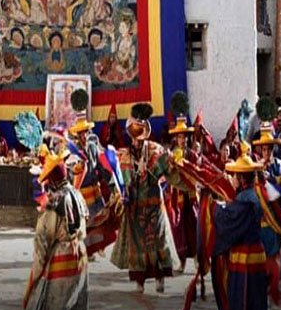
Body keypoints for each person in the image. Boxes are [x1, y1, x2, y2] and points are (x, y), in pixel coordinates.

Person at [13, 150, 89, 310]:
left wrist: (36, 272)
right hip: (79, 258)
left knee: (44, 305)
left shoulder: (54, 202)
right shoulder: (77, 194)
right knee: (73, 309)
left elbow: (43, 239)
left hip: (59, 259)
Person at [202, 142, 278, 310]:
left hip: (245, 261)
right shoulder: (254, 194)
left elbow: (229, 220)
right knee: (254, 302)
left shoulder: (246, 200)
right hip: (255, 257)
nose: (232, 178)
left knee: (244, 302)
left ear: (242, 178)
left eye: (235, 175)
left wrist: (212, 206)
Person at [111, 103, 179, 293]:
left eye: (139, 134)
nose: (136, 140)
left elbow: (171, 171)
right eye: (133, 135)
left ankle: (160, 279)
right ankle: (140, 282)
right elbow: (116, 181)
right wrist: (121, 194)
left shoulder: (156, 151)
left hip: (154, 206)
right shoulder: (124, 157)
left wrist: (175, 164)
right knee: (138, 246)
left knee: (158, 241)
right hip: (135, 208)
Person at [67, 99, 118, 257]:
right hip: (82, 192)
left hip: (95, 190)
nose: (84, 135)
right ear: (76, 134)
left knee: (101, 218)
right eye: (81, 133)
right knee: (85, 223)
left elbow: (102, 166)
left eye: (85, 132)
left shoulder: (92, 147)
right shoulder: (72, 151)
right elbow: (70, 173)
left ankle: (98, 246)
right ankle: (88, 250)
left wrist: (112, 184)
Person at [166, 113, 198, 273]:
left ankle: (199, 260)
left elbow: (197, 172)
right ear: (176, 138)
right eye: (180, 137)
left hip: (191, 195)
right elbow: (168, 173)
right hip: (177, 195)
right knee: (179, 228)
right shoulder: (172, 154)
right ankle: (182, 263)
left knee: (194, 225)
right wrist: (172, 166)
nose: (182, 139)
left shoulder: (192, 154)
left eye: (184, 137)